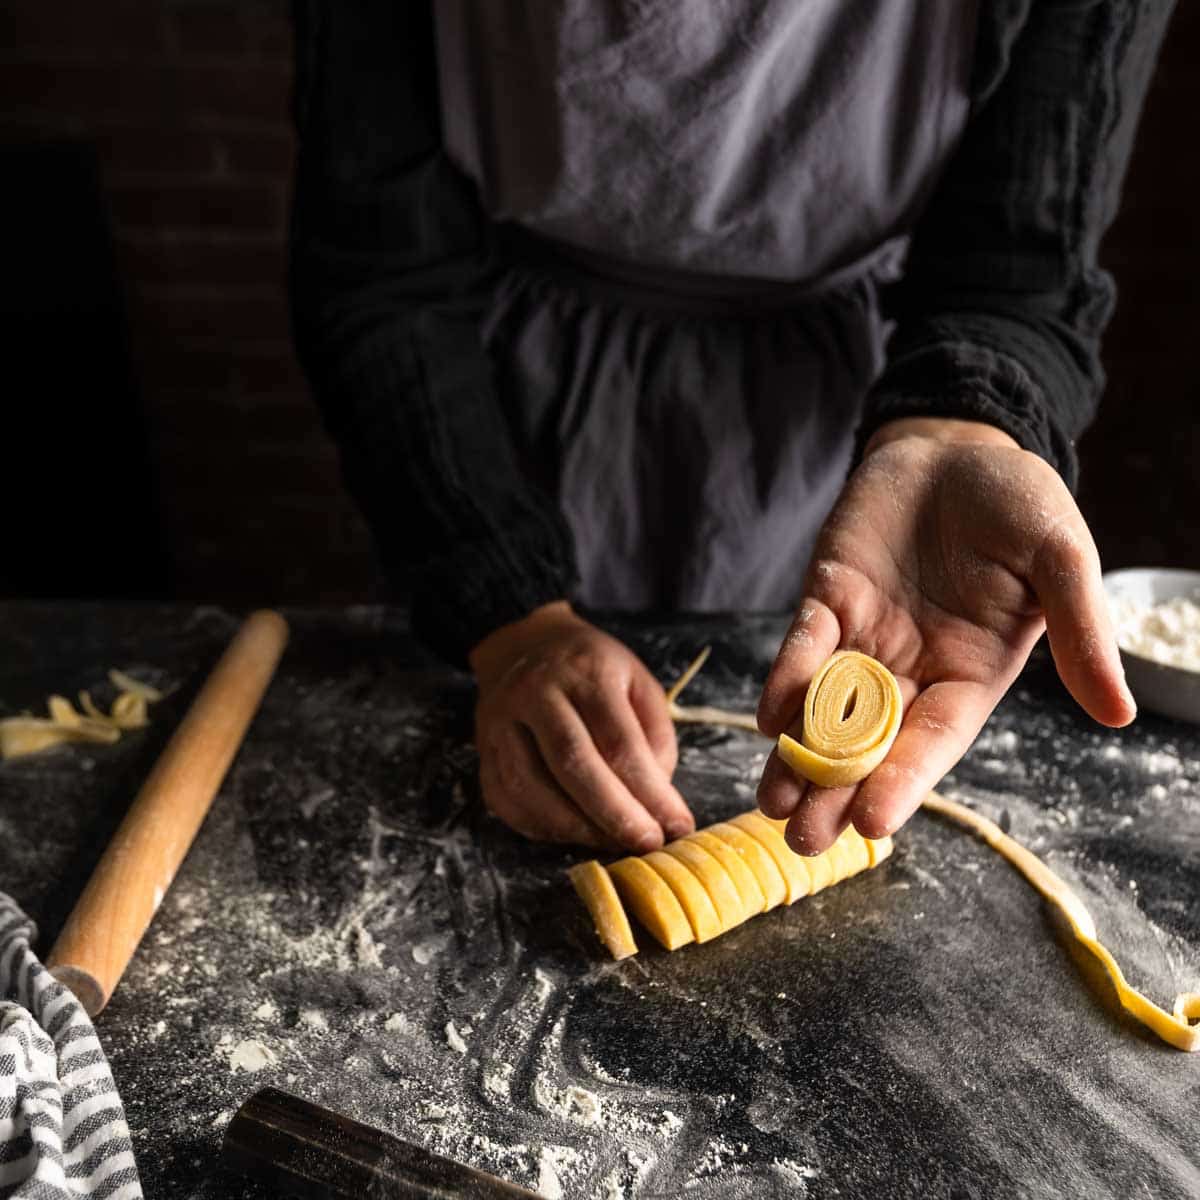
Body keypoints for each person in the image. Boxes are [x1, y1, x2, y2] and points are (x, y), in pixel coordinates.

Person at [289, 2, 1171, 858]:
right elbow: (380, 265)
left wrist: (962, 432)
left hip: (861, 444)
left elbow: (1021, 266)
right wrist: (504, 611)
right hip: (492, 414)